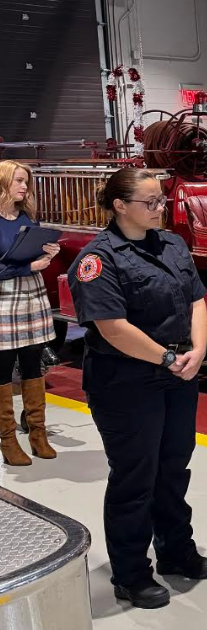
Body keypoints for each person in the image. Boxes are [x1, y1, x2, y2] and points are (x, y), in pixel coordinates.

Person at [68, 167, 207, 609]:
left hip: (178, 375)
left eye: (161, 201)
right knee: (135, 477)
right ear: (119, 206)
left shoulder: (171, 244)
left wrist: (198, 350)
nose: (160, 209)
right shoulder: (99, 260)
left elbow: (196, 301)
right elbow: (113, 329)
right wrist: (170, 358)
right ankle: (131, 573)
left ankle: (175, 550)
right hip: (127, 383)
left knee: (174, 468)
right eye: (150, 202)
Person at [0, 160, 60, 466]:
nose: (24, 186)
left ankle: (38, 434)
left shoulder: (26, 218)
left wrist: (47, 253)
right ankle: (8, 441)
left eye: (26, 181)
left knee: (33, 364)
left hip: (32, 298)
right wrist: (28, 266)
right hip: (4, 300)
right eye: (19, 181)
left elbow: (31, 254)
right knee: (3, 369)